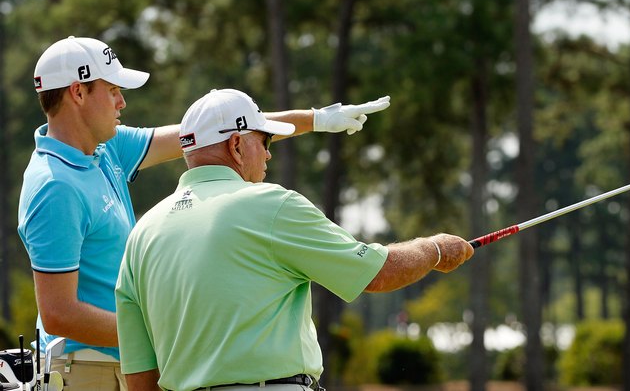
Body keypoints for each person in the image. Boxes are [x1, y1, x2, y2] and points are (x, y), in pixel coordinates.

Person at [17, 36, 390, 390]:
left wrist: (315, 120)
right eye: (113, 91)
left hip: (122, 362)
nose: (122, 103)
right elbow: (59, 314)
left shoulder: (105, 150)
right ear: (78, 92)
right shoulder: (55, 185)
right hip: (84, 371)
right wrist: (165, 331)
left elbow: (212, 132)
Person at [115, 89, 474, 391]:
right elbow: (380, 273)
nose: (269, 153)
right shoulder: (270, 204)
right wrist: (436, 248)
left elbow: (140, 376)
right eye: (265, 140)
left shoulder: (143, 232)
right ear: (237, 145)